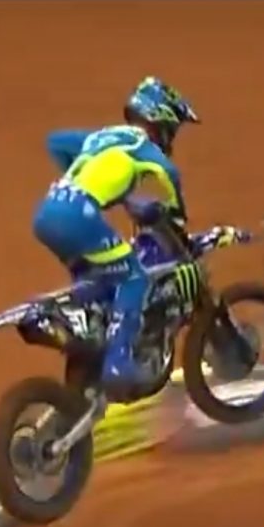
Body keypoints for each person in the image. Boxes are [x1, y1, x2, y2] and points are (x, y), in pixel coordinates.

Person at [32, 76, 200, 399]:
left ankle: (91, 343)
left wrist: (84, 181)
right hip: (77, 215)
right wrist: (177, 216)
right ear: (160, 119)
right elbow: (169, 172)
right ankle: (118, 363)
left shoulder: (102, 139)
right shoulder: (141, 143)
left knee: (96, 282)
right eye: (173, 128)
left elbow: (56, 142)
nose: (172, 136)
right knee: (135, 277)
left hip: (46, 214)